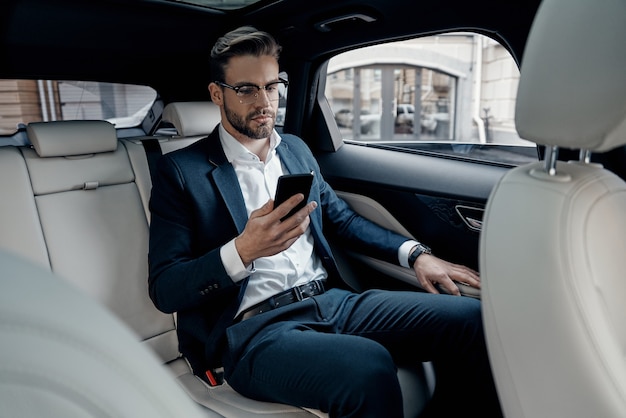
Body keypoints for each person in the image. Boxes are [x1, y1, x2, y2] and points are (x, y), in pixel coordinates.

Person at [148, 25, 502, 417]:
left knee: (471, 318)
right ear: (218, 94)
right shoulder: (181, 171)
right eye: (247, 89)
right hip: (255, 331)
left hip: (331, 302)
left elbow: (342, 221)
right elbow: (166, 288)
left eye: (272, 85)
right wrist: (242, 250)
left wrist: (416, 254)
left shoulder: (295, 149)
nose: (265, 101)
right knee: (367, 368)